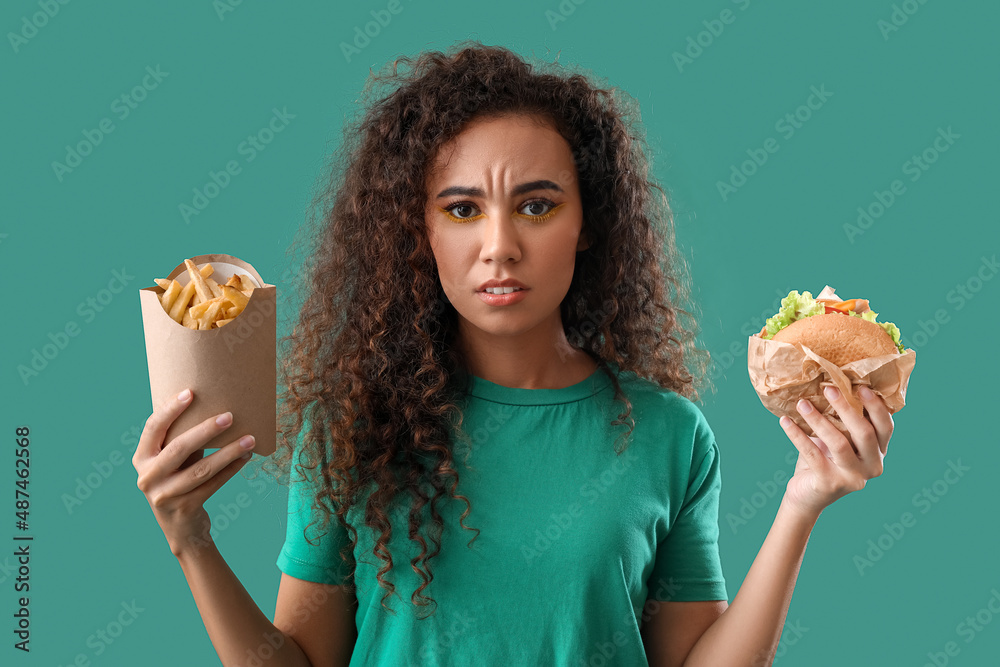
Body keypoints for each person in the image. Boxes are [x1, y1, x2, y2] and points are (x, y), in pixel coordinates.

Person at [132, 41, 895, 667]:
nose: (499, 246)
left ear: (587, 223)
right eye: (462, 209)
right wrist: (191, 538)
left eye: (536, 204)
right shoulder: (350, 428)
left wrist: (802, 502)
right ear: (421, 232)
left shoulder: (670, 434)